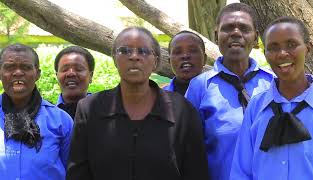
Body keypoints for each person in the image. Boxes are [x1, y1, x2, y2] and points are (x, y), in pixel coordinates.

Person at [67, 27, 209, 180]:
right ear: (114, 59)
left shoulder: (182, 110)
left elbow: (196, 173)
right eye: (125, 51)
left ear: (155, 61)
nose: (134, 57)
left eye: (143, 51)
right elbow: (78, 174)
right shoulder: (90, 109)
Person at [185, 3, 274, 180]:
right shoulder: (200, 87)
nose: (235, 33)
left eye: (244, 28)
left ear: (256, 38)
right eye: (227, 28)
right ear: (216, 36)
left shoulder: (273, 83)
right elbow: (189, 150)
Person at [230, 16, 313, 180]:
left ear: (308, 48)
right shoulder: (256, 106)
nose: (282, 54)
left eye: (291, 45)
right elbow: (241, 171)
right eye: (273, 47)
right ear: (265, 53)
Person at [0, 43, 73, 179]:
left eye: (26, 67)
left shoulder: (61, 121)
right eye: (9, 67)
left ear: (37, 74)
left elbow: (73, 172)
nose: (18, 73)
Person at [55, 46, 94, 119]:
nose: (71, 73)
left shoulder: (105, 111)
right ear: (57, 76)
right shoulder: (47, 115)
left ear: (90, 76)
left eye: (78, 69)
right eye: (65, 69)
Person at [163, 30, 206, 95]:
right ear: (169, 61)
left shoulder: (218, 94)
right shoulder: (158, 98)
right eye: (178, 52)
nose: (185, 56)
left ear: (204, 59)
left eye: (193, 51)